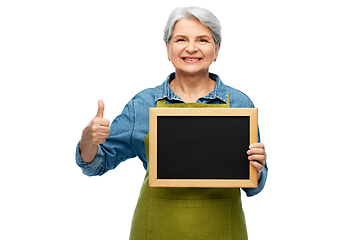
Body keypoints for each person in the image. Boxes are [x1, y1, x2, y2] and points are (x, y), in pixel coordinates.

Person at [76, 6, 268, 240]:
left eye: (203, 39)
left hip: (222, 230)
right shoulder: (142, 105)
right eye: (181, 39)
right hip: (156, 229)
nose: (191, 48)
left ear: (216, 50)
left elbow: (254, 186)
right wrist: (88, 139)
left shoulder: (239, 104)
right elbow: (95, 164)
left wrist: (257, 168)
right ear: (167, 48)